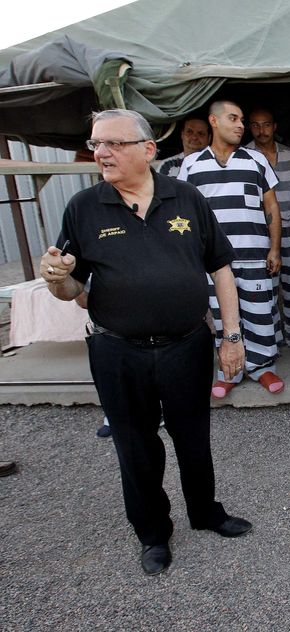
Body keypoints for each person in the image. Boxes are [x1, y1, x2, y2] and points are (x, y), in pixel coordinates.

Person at [40, 109, 251, 576]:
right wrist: (56, 279)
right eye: (96, 144)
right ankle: (153, 534)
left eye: (113, 143)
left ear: (147, 150)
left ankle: (205, 513)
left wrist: (232, 336)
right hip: (118, 351)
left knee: (193, 438)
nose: (101, 153)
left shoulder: (187, 197)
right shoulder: (83, 207)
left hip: (187, 344)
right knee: (135, 447)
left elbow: (220, 269)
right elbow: (74, 290)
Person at [178, 100, 284, 397]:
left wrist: (274, 249)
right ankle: (230, 371)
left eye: (242, 119)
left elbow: (271, 206)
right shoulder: (192, 164)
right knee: (224, 315)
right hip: (213, 261)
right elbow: (184, 214)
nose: (241, 125)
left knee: (260, 313)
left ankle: (263, 368)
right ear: (214, 121)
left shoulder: (255, 160)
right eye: (233, 118)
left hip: (254, 253)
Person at [245, 107, 290, 348]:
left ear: (275, 126)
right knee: (266, 288)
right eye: (256, 125)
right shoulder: (244, 156)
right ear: (250, 127)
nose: (262, 130)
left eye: (266, 124)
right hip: (261, 232)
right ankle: (271, 337)